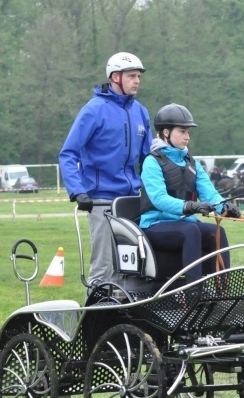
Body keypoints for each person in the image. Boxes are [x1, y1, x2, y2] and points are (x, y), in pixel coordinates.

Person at [59, 52, 152, 290]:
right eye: (132, 76)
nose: (137, 81)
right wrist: (77, 192)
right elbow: (68, 153)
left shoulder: (140, 112)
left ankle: (123, 319)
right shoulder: (94, 110)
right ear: (115, 77)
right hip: (101, 201)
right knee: (103, 268)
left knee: (131, 267)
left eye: (139, 76)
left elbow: (148, 159)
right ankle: (94, 321)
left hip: (131, 200)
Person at [139, 103, 241, 283]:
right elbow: (159, 199)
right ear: (165, 132)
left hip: (184, 223)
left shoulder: (192, 163)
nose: (187, 137)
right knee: (190, 230)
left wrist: (224, 207)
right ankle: (193, 291)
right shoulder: (152, 162)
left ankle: (223, 288)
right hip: (155, 224)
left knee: (217, 232)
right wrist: (189, 206)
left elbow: (209, 194)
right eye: (182, 131)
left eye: (188, 132)